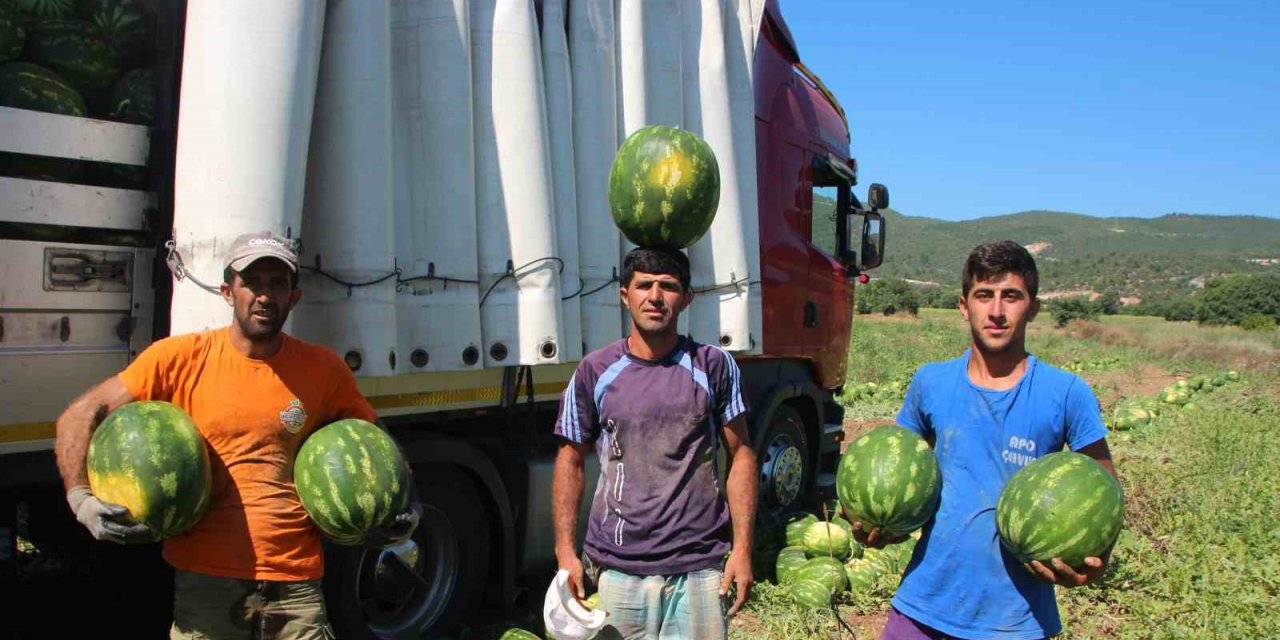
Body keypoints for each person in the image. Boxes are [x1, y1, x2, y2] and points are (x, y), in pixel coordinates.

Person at [54, 230, 420, 640]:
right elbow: (81, 414)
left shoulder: (323, 369)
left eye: (278, 283)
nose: (265, 295)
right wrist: (80, 499)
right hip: (208, 581)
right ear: (229, 292)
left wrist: (410, 506)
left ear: (293, 297)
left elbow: (376, 438)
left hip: (296, 586)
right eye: (252, 282)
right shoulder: (178, 359)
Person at [853, 240, 1120, 640]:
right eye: (984, 296)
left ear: (1033, 307)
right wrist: (879, 522)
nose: (996, 311)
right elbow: (897, 469)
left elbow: (1106, 486)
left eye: (1011, 296)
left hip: (1015, 619)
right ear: (964, 306)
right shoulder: (931, 382)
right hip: (922, 604)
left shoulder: (1066, 392)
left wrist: (1098, 556)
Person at [551, 247, 758, 640]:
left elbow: (742, 454)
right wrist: (565, 551)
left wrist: (743, 549)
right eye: (644, 285)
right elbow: (570, 460)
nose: (655, 296)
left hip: (698, 564)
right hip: (618, 564)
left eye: (668, 286)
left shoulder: (712, 365)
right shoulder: (594, 370)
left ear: (687, 297)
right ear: (624, 295)